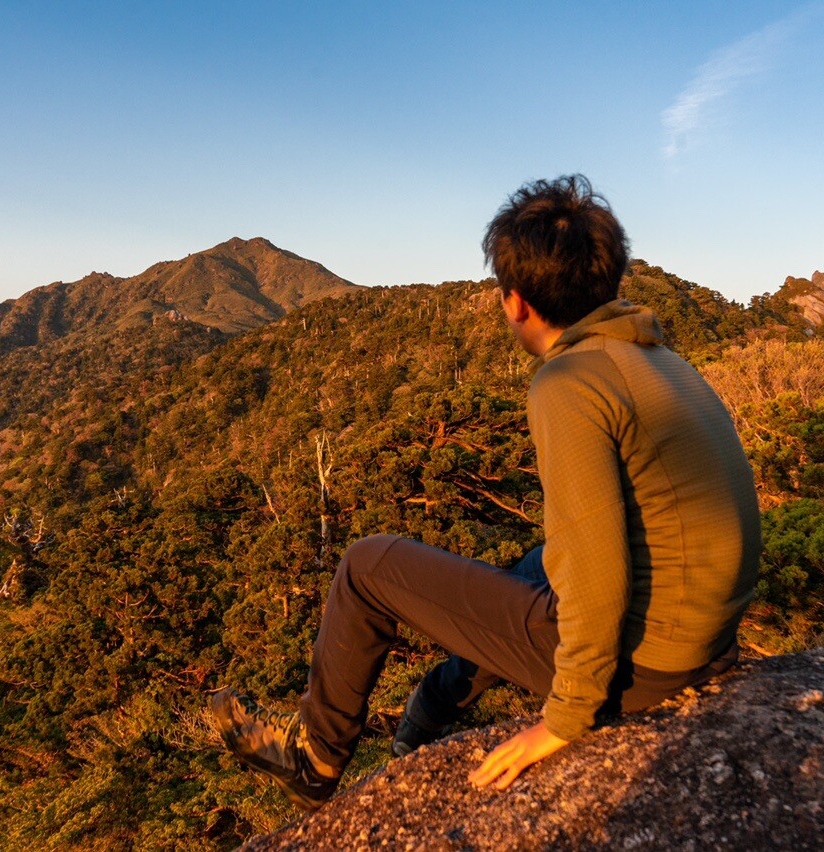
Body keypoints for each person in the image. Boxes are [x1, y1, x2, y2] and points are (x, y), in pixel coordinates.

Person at [210, 175, 761, 811]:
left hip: (649, 668)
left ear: (515, 302)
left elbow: (598, 577)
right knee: (534, 563)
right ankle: (429, 713)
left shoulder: (569, 382)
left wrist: (563, 721)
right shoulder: (660, 360)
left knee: (366, 566)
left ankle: (316, 759)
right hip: (703, 639)